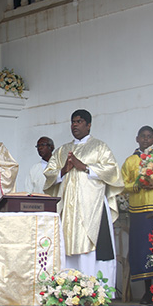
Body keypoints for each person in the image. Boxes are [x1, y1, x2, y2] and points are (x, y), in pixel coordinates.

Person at [44, 110, 123, 289]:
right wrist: (63, 170)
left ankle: (96, 290)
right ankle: (68, 288)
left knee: (93, 247)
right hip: (69, 208)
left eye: (79, 122)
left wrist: (84, 167)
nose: (75, 125)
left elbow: (112, 171)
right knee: (66, 245)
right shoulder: (63, 150)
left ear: (88, 125)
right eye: (73, 122)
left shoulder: (100, 147)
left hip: (92, 207)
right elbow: (49, 173)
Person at [121, 125, 153, 304]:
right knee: (143, 251)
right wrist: (138, 185)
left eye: (149, 137)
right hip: (139, 211)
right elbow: (122, 184)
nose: (146, 139)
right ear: (137, 139)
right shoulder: (131, 161)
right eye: (143, 136)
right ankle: (148, 291)